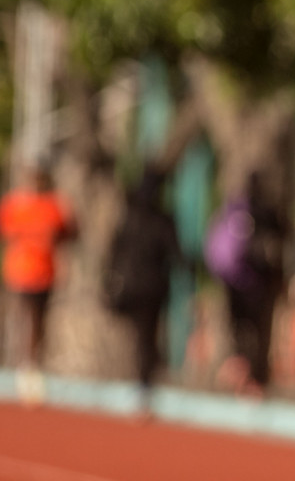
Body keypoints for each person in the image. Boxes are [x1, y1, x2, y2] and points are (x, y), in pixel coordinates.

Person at [0, 161, 74, 403]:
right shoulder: (15, 204)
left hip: (45, 273)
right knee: (23, 317)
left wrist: (57, 236)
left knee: (40, 321)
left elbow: (70, 232)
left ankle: (34, 365)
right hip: (19, 272)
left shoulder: (54, 205)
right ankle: (23, 367)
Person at [104, 166, 181, 413]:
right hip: (150, 288)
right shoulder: (161, 219)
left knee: (140, 338)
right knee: (146, 338)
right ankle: (142, 383)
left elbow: (113, 252)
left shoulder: (129, 217)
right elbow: (176, 252)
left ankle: (139, 382)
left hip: (135, 287)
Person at [206, 170, 286, 397]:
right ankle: (252, 377)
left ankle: (237, 370)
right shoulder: (270, 212)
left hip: (233, 280)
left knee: (237, 328)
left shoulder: (232, 209)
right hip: (257, 283)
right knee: (259, 332)